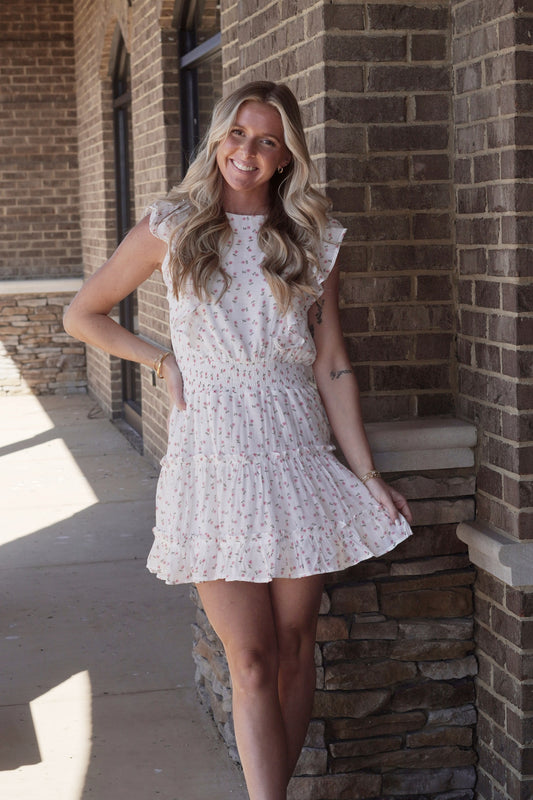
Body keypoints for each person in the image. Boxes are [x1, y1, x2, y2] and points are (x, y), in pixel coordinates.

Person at [64, 80, 413, 800]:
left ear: (286, 157)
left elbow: (332, 362)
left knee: (292, 647)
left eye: (265, 141)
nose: (246, 153)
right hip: (211, 458)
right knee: (249, 660)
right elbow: (84, 313)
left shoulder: (312, 241)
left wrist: (367, 474)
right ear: (217, 139)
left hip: (293, 451)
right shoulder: (173, 225)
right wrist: (158, 358)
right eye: (235, 135)